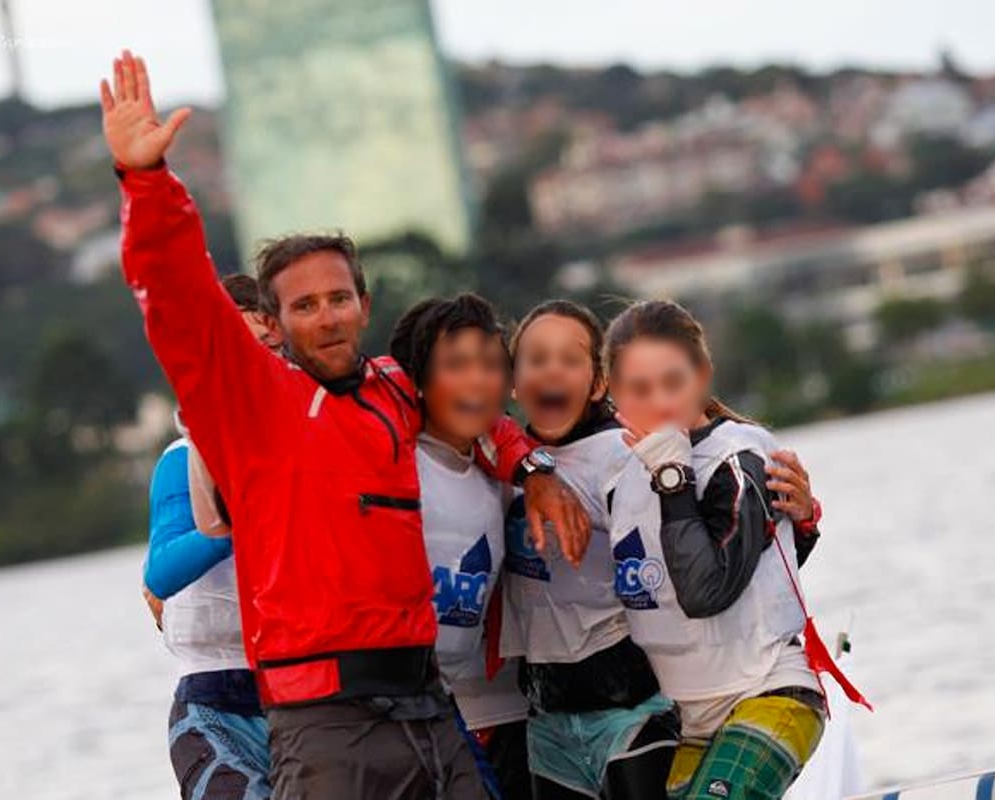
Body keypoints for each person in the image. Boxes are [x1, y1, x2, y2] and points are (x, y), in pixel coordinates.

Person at [101, 50, 589, 799]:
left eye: (338, 298)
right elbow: (178, 296)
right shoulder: (250, 403)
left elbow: (475, 407)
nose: (326, 316)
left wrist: (534, 468)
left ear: (364, 305)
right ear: (273, 323)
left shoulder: (396, 389)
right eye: (304, 305)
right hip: (323, 723)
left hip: (427, 704)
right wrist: (146, 181)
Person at [602, 300, 865, 800]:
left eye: (673, 382)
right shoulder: (620, 478)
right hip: (694, 717)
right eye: (639, 389)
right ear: (613, 393)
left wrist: (673, 478)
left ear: (703, 374)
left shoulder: (736, 458)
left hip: (770, 691)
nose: (660, 402)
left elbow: (706, 590)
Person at [502, 301, 681, 800]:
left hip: (631, 704)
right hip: (547, 716)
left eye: (569, 359)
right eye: (536, 359)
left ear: (599, 383)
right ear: (514, 383)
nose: (551, 370)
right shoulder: (503, 461)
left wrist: (801, 524)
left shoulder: (619, 454)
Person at [389, 295, 534, 800]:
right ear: (418, 381)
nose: (478, 381)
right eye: (456, 365)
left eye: (491, 365)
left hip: (458, 707)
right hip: (379, 712)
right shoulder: (391, 463)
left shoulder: (506, 481)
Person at [142, 274, 273, 800]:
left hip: (307, 702)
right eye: (231, 351)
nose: (247, 365)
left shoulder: (312, 444)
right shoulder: (183, 458)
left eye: (263, 349)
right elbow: (161, 573)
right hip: (214, 704)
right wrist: (234, 521)